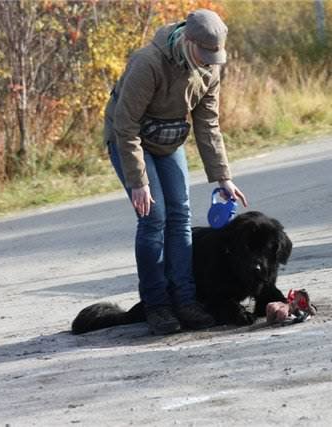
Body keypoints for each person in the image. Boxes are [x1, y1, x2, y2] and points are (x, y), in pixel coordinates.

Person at [103, 9, 248, 335]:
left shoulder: (210, 69)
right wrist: (138, 181)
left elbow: (208, 123)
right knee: (154, 216)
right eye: (205, 53)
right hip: (130, 138)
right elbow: (125, 126)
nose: (210, 60)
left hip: (167, 139)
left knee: (180, 214)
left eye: (215, 55)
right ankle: (157, 305)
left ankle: (185, 300)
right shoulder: (148, 62)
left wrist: (223, 177)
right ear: (188, 40)